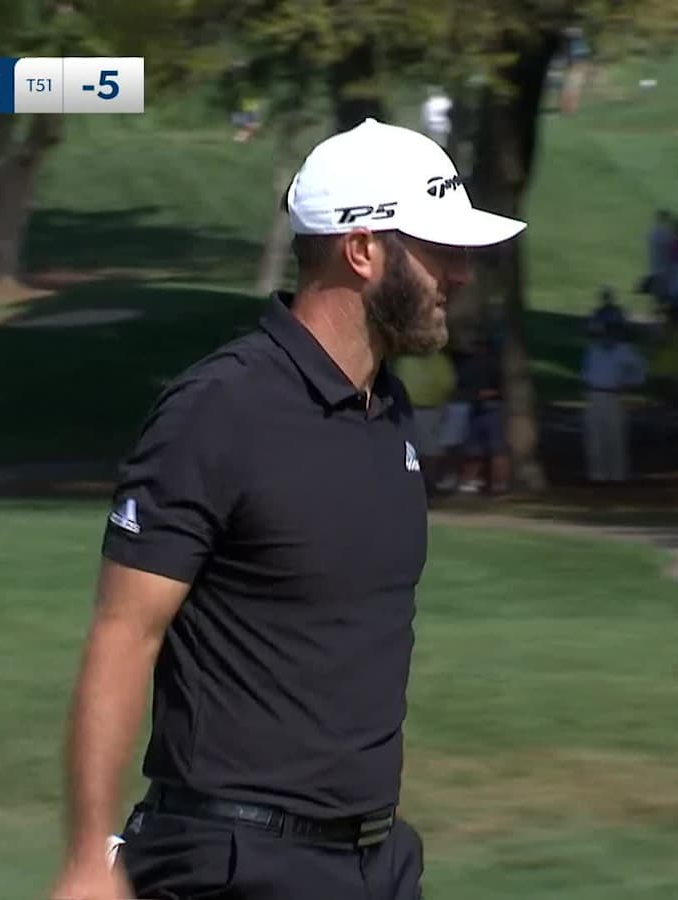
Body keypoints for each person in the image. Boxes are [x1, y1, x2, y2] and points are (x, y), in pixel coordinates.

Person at [47, 117, 526, 900]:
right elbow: (125, 631)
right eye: (440, 250)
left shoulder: (387, 411)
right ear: (362, 249)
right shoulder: (220, 409)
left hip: (376, 862)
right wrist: (82, 862)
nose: (463, 273)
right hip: (238, 865)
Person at [581, 317, 647, 483]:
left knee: (615, 437)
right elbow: (586, 373)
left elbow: (640, 370)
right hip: (594, 395)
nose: (602, 337)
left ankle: (618, 476)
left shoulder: (624, 350)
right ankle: (597, 476)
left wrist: (628, 384)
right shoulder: (592, 349)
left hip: (614, 397)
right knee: (594, 437)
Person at [392, 347, 457, 492]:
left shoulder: (405, 360)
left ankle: (417, 482)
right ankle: (426, 482)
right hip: (426, 408)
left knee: (412, 447)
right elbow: (448, 383)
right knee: (427, 447)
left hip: (415, 408)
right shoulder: (439, 360)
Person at [454, 329, 510, 494]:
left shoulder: (489, 364)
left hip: (490, 407)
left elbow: (500, 388)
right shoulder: (482, 362)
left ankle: (499, 483)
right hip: (478, 407)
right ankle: (473, 481)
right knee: (477, 448)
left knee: (495, 448)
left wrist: (489, 393)